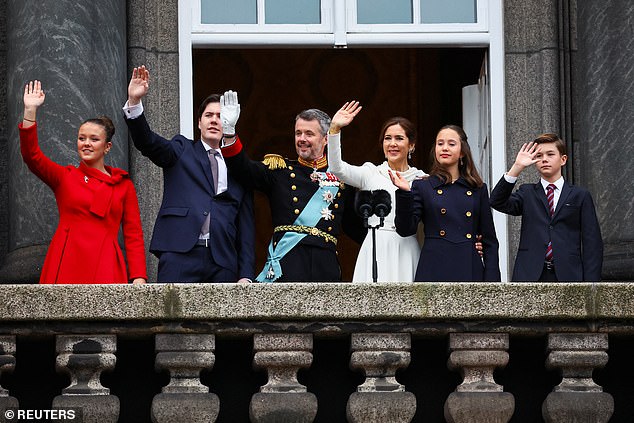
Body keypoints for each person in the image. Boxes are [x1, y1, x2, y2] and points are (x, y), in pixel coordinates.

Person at [124, 66, 254, 283]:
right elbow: (148, 143)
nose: (214, 120)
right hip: (179, 254)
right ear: (199, 123)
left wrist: (246, 274)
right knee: (170, 318)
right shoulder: (181, 149)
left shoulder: (240, 166)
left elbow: (246, 226)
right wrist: (135, 103)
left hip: (223, 260)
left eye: (221, 117)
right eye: (208, 115)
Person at [19, 80, 147, 284]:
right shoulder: (65, 177)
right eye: (81, 138)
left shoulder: (123, 185)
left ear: (107, 147)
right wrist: (30, 111)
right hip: (67, 260)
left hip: (106, 263)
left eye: (94, 139)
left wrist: (139, 276)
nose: (86, 143)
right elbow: (32, 156)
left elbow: (133, 234)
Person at [221, 100, 364, 282]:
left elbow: (356, 228)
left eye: (309, 134)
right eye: (298, 133)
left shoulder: (342, 179)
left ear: (326, 138)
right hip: (287, 265)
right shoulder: (279, 171)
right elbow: (243, 169)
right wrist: (229, 133)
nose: (301, 139)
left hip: (325, 268)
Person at [327, 101, 427, 282]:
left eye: (399, 138)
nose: (392, 144)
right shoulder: (370, 173)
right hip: (374, 247)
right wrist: (334, 130)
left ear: (411, 145)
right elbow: (337, 168)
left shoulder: (422, 180)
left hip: (407, 249)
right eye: (387, 138)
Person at [390, 124, 500, 281]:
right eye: (440, 143)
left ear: (462, 152)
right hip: (434, 266)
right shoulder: (422, 186)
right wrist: (404, 193)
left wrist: (493, 284)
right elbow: (406, 229)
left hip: (469, 267)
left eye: (451, 144)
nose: (444, 148)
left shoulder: (478, 189)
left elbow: (489, 241)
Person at [489, 134, 603, 281]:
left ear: (563, 159)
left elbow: (592, 242)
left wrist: (591, 284)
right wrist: (517, 167)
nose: (544, 159)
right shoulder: (527, 192)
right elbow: (496, 201)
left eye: (550, 154)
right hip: (530, 274)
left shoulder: (580, 195)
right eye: (539, 155)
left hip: (569, 274)